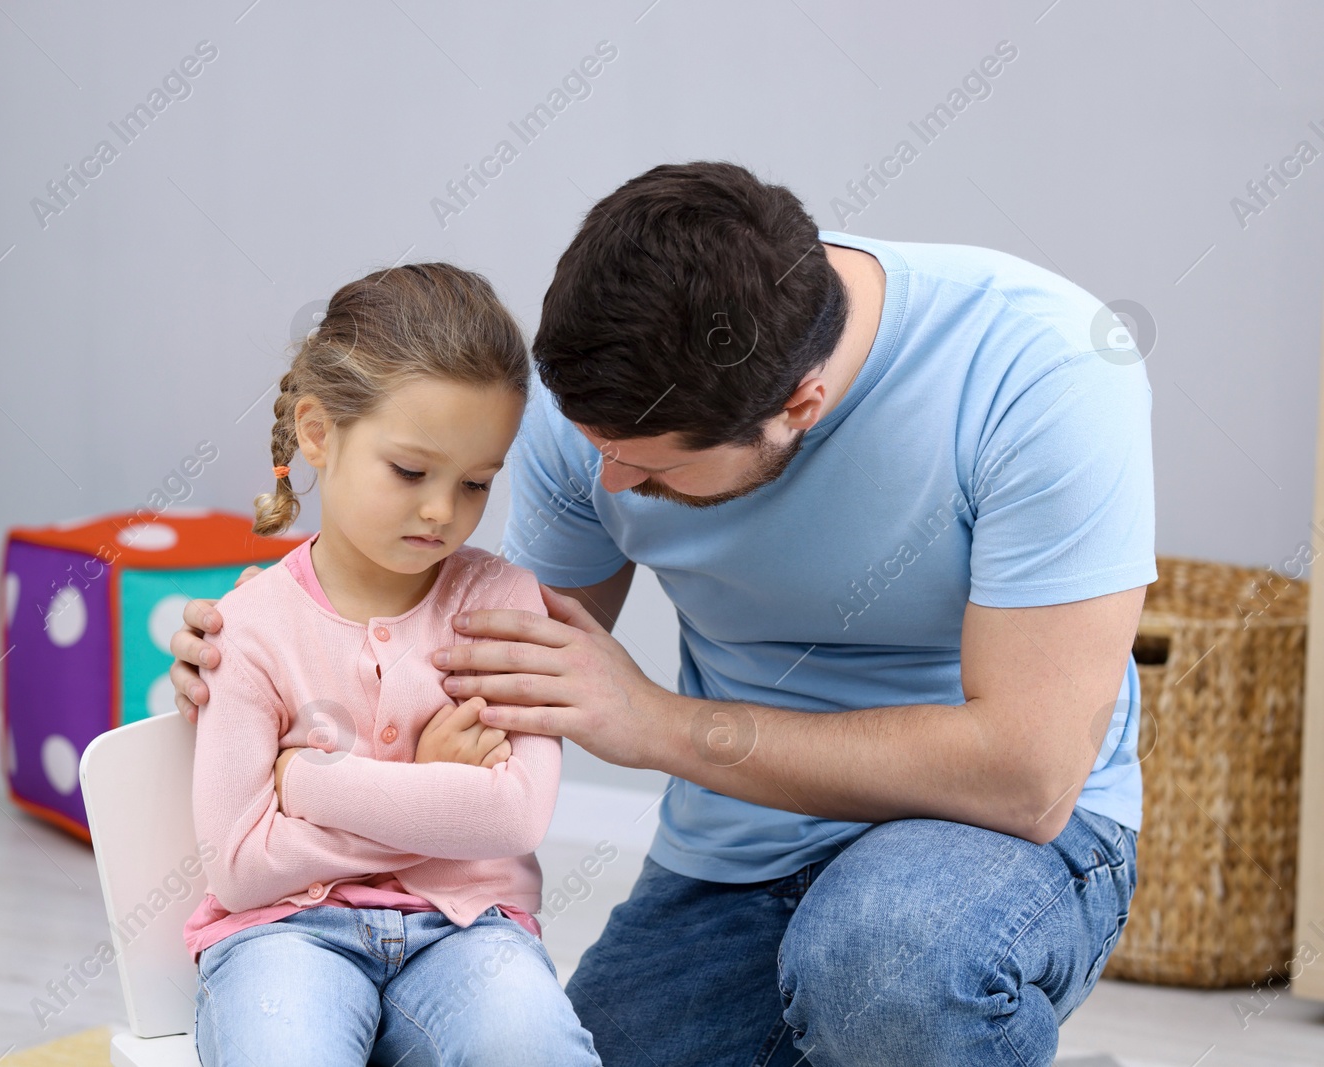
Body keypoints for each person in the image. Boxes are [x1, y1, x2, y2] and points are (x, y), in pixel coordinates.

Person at [173, 162, 1152, 1066]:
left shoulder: (1044, 369)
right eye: (592, 442)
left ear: (798, 407)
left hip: (995, 839)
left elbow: (1027, 777)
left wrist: (656, 724)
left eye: (648, 466)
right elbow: (472, 657)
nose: (606, 481)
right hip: (737, 852)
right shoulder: (603, 401)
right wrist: (249, 650)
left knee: (885, 964)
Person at [184, 262, 600, 1067]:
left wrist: (312, 785)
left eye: (477, 482)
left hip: (469, 927)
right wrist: (434, 789)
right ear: (318, 432)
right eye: (410, 471)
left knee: (531, 1045)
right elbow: (239, 870)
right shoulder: (250, 626)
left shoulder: (505, 603)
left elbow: (513, 817)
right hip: (285, 931)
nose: (443, 510)